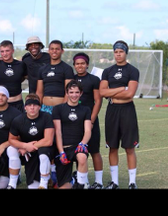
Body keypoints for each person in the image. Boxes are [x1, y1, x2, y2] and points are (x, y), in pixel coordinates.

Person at [99, 40, 139, 189]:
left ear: (125, 53)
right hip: (112, 110)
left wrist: (113, 93)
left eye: (121, 52)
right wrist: (122, 87)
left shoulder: (133, 70)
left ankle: (132, 182)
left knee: (129, 147)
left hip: (127, 110)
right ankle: (114, 182)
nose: (118, 54)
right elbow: (102, 92)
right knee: (112, 146)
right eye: (116, 52)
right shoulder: (107, 71)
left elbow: (130, 94)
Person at [36, 39, 75, 188]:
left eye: (57, 49)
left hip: (59, 108)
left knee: (60, 139)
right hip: (45, 108)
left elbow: (68, 91)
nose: (54, 51)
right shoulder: (43, 69)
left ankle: (61, 173)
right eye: (51, 49)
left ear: (62, 51)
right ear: (48, 50)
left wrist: (64, 109)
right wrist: (39, 108)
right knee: (47, 140)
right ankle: (49, 172)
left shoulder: (66, 68)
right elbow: (39, 91)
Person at [6, 93, 55, 189]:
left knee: (43, 153)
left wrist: (28, 148)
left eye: (35, 105)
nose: (32, 108)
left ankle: (44, 184)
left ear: (39, 107)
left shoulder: (46, 117)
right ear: (25, 108)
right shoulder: (18, 120)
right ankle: (12, 184)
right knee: (11, 149)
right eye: (29, 105)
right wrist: (24, 146)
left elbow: (48, 141)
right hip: (27, 153)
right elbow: (11, 140)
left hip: (42, 151)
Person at [52, 79, 92, 189]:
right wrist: (61, 152)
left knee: (82, 156)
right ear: (67, 93)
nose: (74, 95)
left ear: (81, 93)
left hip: (77, 147)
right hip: (63, 149)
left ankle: (81, 184)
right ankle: (74, 179)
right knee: (64, 187)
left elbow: (88, 131)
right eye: (71, 92)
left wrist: (82, 144)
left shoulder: (85, 109)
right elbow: (58, 132)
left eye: (77, 92)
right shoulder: (58, 109)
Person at [73, 52, 104, 189]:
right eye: (77, 63)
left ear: (87, 65)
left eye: (82, 63)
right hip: (74, 121)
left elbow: (98, 101)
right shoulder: (71, 80)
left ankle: (99, 182)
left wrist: (91, 120)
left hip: (90, 121)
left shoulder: (94, 79)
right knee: (77, 151)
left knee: (94, 150)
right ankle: (81, 180)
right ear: (74, 65)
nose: (80, 66)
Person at [0, 40, 27, 112]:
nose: (4, 54)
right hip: (2, 104)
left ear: (13, 51)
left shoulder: (21, 64)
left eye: (7, 51)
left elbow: (24, 77)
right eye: (2, 51)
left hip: (18, 103)